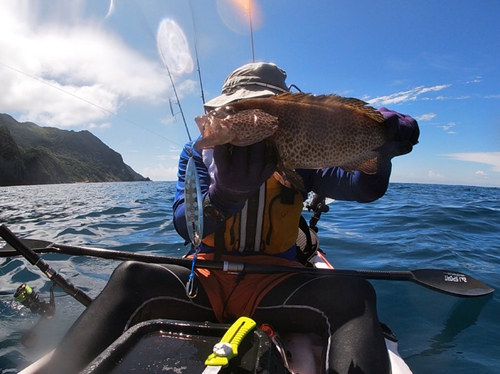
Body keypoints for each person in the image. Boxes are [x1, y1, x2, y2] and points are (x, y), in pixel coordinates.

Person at [45, 62, 419, 374]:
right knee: (130, 275)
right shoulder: (197, 154)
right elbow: (183, 223)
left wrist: (381, 153)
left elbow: (363, 188)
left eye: (237, 112)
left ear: (270, 115)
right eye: (226, 110)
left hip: (277, 279)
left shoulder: (302, 160)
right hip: (205, 278)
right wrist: (225, 196)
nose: (216, 119)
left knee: (356, 294)